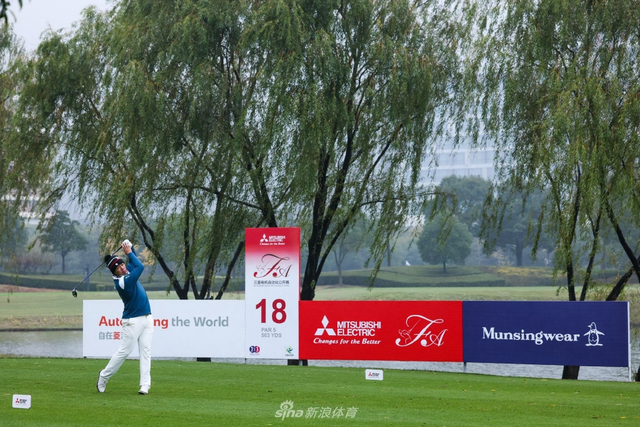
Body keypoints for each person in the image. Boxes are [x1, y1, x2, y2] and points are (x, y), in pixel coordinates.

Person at [96, 239, 154, 395]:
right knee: (124, 352)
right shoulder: (122, 282)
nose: (122, 267)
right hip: (132, 321)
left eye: (122, 264)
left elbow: (133, 263)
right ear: (114, 272)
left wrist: (130, 248)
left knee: (145, 351)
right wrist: (128, 252)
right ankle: (104, 376)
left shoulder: (126, 273)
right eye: (118, 267)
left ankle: (145, 385)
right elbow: (139, 266)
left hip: (147, 317)